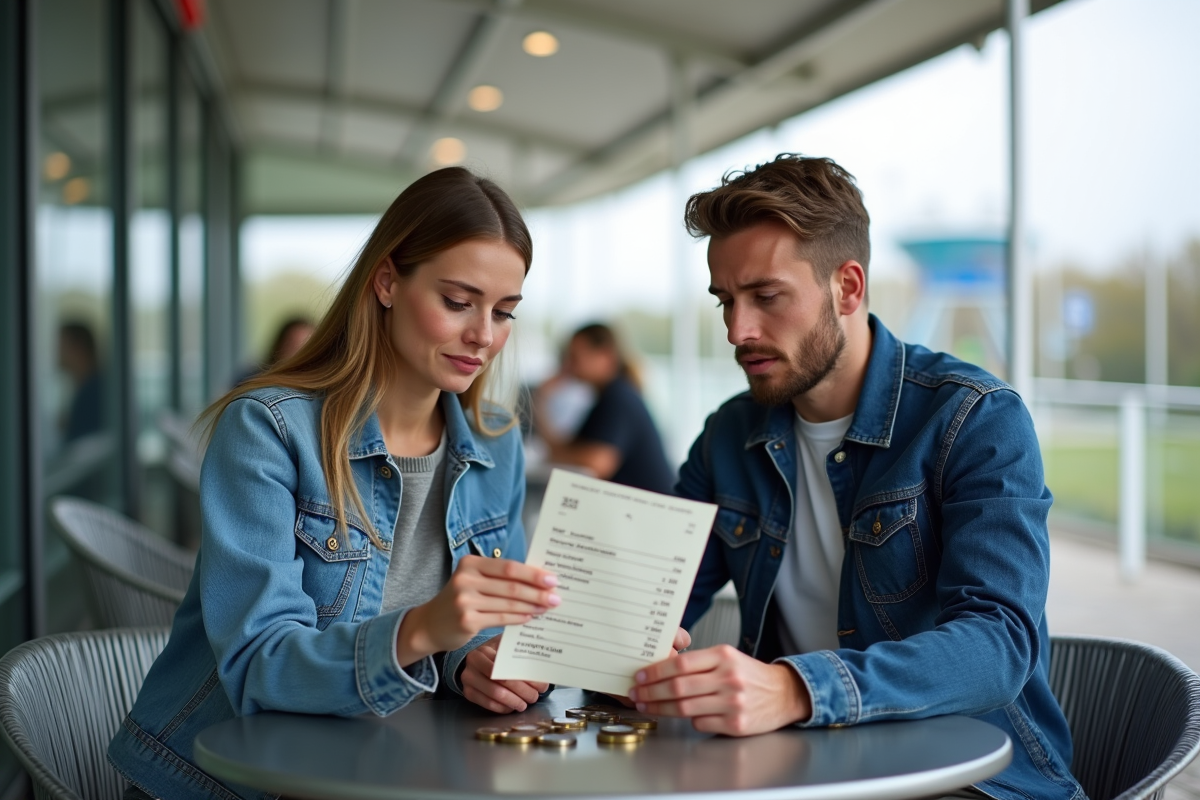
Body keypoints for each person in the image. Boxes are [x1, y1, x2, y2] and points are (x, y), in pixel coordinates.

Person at [626, 155, 1083, 800]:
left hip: (974, 780)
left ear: (847, 287)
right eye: (725, 301)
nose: (738, 330)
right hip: (806, 770)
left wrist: (794, 688)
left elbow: (1000, 642)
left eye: (766, 296)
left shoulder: (973, 417)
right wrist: (540, 650)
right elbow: (648, 602)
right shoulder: (730, 435)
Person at [108, 168, 562, 800]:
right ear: (386, 282)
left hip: (390, 768)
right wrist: (423, 630)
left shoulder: (495, 442)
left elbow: (482, 623)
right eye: (458, 302)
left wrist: (470, 663)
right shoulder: (268, 430)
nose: (484, 336)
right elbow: (258, 667)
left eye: (504, 312)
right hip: (225, 782)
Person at [535, 323, 675, 494]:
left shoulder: (619, 398)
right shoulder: (608, 397)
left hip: (649, 512)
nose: (569, 365)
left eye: (575, 357)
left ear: (605, 355)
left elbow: (597, 463)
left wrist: (557, 451)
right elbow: (568, 449)